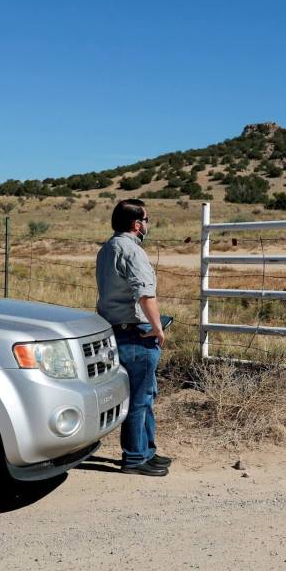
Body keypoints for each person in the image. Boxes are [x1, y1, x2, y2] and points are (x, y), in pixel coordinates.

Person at [95, 198, 171, 477]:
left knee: (144, 394)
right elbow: (145, 293)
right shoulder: (132, 252)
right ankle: (135, 457)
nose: (148, 225)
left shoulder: (107, 249)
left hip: (114, 330)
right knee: (141, 397)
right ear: (137, 224)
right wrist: (157, 327)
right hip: (136, 333)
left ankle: (147, 451)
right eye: (146, 220)